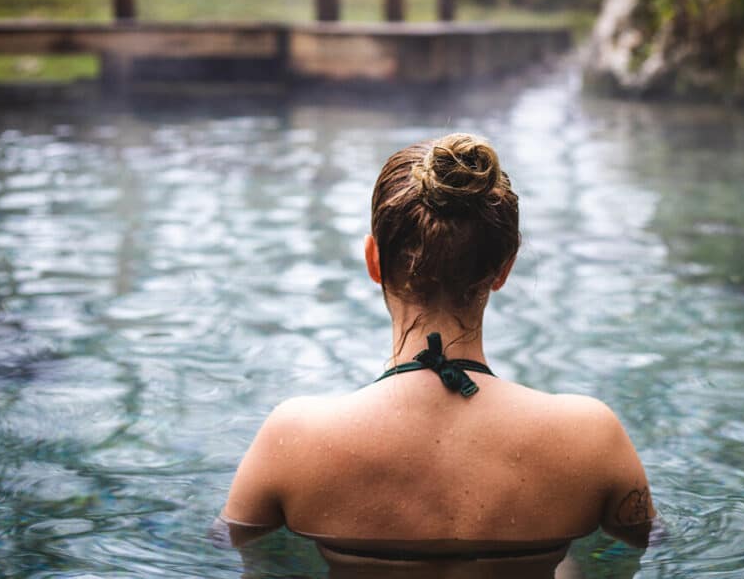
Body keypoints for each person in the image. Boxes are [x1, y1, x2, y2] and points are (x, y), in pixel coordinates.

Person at [220, 133, 655, 578]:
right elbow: (638, 552)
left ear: (373, 261)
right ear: (504, 268)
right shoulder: (591, 439)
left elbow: (235, 554)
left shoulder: (293, 440)